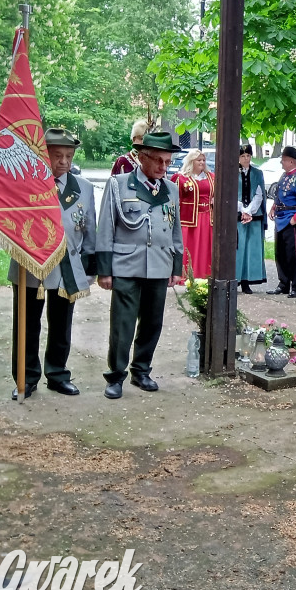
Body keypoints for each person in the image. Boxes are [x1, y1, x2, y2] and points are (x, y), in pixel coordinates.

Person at [7, 128, 96, 400]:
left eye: (69, 156)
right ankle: (26, 377)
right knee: (26, 324)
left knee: (61, 324)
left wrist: (90, 269)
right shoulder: (24, 185)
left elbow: (89, 231)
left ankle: (57, 374)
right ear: (44, 155)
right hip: (29, 265)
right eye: (58, 155)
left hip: (66, 267)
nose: (64, 162)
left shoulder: (84, 188)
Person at [96, 131, 185, 400]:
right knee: (122, 325)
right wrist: (104, 269)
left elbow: (175, 230)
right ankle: (116, 376)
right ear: (141, 157)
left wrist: (176, 267)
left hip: (159, 265)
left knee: (152, 324)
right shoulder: (119, 185)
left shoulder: (170, 189)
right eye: (158, 160)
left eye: (167, 162)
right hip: (126, 266)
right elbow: (105, 229)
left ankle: (141, 370)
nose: (163, 167)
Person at [266, 146, 296, 298]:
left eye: (284, 160)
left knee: (292, 255)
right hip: (280, 219)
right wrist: (274, 207)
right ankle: (283, 283)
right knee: (279, 253)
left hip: (290, 221)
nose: (281, 163)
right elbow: (280, 195)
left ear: (291, 161)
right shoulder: (284, 176)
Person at [170, 148, 214, 279]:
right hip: (188, 219)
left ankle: (204, 274)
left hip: (207, 217)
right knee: (189, 248)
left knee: (205, 247)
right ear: (191, 161)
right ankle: (184, 275)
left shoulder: (212, 177)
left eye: (203, 160)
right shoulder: (181, 178)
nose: (202, 162)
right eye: (198, 160)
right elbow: (173, 199)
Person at [236, 144, 267, 294]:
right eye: (243, 156)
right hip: (237, 214)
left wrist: (249, 211)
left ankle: (247, 280)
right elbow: (231, 193)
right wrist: (242, 210)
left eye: (248, 155)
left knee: (250, 249)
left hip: (254, 215)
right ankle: (235, 278)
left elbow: (259, 194)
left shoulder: (257, 173)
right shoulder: (232, 172)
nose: (246, 158)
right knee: (238, 247)